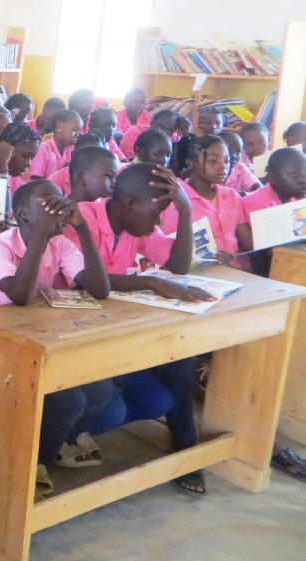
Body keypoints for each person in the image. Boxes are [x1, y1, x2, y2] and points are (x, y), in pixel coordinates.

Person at [64, 163, 210, 495]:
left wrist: (185, 211)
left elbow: (178, 266)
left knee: (173, 373)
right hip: (79, 333)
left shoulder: (134, 227)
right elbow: (86, 280)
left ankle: (185, 446)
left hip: (120, 331)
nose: (157, 222)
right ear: (129, 204)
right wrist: (149, 281)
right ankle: (65, 431)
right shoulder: (82, 218)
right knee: (112, 409)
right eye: (156, 213)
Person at [0, 179, 115, 470]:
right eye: (48, 205)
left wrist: (82, 228)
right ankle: (33, 465)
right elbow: (20, 295)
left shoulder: (59, 244)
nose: (57, 211)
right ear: (22, 214)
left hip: (37, 338)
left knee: (101, 390)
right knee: (70, 400)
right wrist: (41, 232)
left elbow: (100, 289)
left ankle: (47, 446)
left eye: (60, 203)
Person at [162, 135, 244, 267]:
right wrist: (209, 260)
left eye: (227, 161)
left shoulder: (232, 196)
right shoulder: (176, 199)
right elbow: (168, 249)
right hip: (195, 272)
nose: (223, 166)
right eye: (213, 161)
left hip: (235, 270)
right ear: (191, 163)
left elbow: (246, 241)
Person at [236, 148, 306, 265]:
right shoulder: (255, 203)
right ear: (271, 178)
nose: (303, 180)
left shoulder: (299, 195)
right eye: (293, 174)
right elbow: (266, 252)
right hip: (269, 264)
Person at [0, 122, 41, 194]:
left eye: (32, 157)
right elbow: (1, 200)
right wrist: (3, 166)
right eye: (24, 156)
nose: (29, 164)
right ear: (6, 149)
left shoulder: (17, 182)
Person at [46, 131, 105, 195]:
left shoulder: (105, 179)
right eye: (88, 154)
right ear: (74, 154)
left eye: (99, 154)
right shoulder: (55, 180)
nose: (94, 158)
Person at [30, 109, 81, 179]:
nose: (78, 135)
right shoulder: (43, 149)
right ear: (59, 128)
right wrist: (60, 173)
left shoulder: (73, 150)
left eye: (79, 131)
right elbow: (35, 180)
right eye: (74, 130)